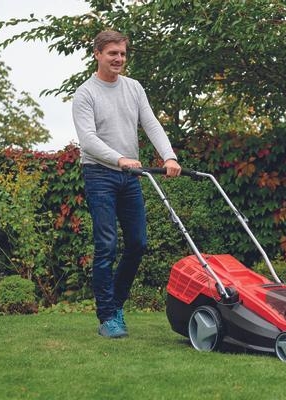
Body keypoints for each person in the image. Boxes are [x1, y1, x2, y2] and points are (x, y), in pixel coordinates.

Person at [72, 30, 181, 338]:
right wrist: (118, 158)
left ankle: (116, 304)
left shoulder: (133, 88)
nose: (118, 58)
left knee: (138, 243)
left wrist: (169, 156)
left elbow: (151, 124)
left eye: (122, 53)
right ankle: (107, 316)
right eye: (112, 53)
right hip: (99, 174)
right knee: (106, 245)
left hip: (130, 175)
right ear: (97, 54)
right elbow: (88, 140)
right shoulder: (85, 93)